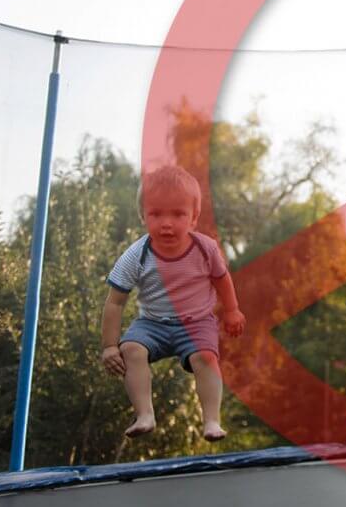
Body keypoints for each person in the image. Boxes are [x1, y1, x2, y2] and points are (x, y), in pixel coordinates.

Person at [100, 165, 246, 440]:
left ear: (193, 218)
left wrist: (232, 310)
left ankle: (212, 421)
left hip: (196, 322)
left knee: (205, 357)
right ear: (143, 216)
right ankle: (144, 414)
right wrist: (109, 346)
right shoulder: (137, 255)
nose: (167, 223)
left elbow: (222, 279)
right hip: (152, 322)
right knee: (131, 349)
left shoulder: (205, 248)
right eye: (156, 214)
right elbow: (115, 302)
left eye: (178, 214)